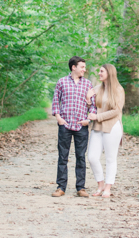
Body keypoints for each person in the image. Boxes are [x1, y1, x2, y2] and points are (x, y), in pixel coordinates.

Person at [51, 56, 96, 197]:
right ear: (73, 67)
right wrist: (58, 117)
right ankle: (61, 187)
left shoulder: (88, 84)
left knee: (81, 156)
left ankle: (80, 188)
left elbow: (93, 105)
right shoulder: (61, 82)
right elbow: (55, 101)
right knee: (63, 156)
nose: (84, 69)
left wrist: (88, 120)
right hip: (65, 124)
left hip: (81, 125)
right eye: (82, 67)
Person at [85, 63, 125, 198]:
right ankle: (100, 184)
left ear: (109, 73)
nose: (99, 73)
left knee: (110, 158)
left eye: (102, 71)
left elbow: (116, 110)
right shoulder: (96, 88)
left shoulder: (119, 90)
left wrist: (98, 117)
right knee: (92, 157)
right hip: (97, 126)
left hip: (112, 126)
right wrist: (88, 99)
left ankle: (108, 187)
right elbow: (91, 107)